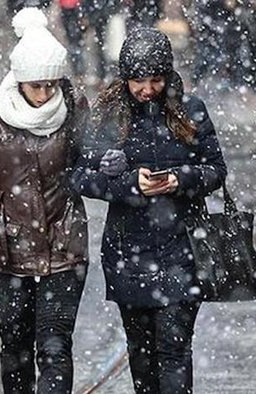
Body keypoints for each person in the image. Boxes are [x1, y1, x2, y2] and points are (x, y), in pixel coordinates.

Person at [71, 28, 227, 393]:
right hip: (129, 254)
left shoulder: (192, 111)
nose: (146, 89)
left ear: (167, 76)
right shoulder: (108, 117)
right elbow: (80, 177)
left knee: (174, 350)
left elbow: (216, 170)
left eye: (155, 80)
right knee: (141, 356)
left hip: (183, 250)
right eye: (138, 80)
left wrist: (179, 179)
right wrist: (129, 185)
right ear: (125, 79)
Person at [0, 7, 90, 393]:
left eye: (51, 84)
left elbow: (88, 159)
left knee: (55, 345)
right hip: (7, 251)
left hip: (65, 250)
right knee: (15, 347)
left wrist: (105, 164)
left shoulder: (73, 103)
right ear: (19, 79)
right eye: (36, 85)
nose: (45, 94)